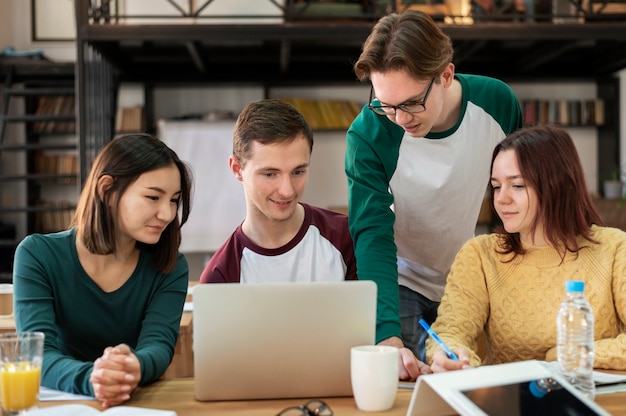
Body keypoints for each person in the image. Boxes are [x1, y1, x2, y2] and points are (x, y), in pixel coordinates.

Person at [345, 9, 523, 377]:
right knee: (410, 388)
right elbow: (372, 233)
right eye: (386, 104)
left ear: (445, 75)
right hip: (400, 280)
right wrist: (385, 333)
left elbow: (521, 196)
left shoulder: (497, 104)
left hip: (467, 277)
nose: (400, 118)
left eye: (411, 103)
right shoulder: (368, 134)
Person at [426, 124, 626, 372]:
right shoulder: (480, 255)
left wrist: (564, 354)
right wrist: (450, 355)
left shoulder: (615, 249)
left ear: (557, 185)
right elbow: (451, 330)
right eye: (497, 186)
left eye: (517, 185)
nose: (501, 198)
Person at [13, 133, 193, 407]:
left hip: (137, 404)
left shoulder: (170, 265)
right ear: (106, 190)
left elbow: (158, 346)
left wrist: (134, 366)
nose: (167, 214)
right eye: (153, 197)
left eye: (173, 200)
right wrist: (93, 378)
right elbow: (39, 354)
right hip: (62, 404)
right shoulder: (37, 255)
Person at [200, 99, 356, 284]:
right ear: (237, 169)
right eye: (270, 174)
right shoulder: (220, 276)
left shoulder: (347, 239)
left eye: (298, 172)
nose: (287, 191)